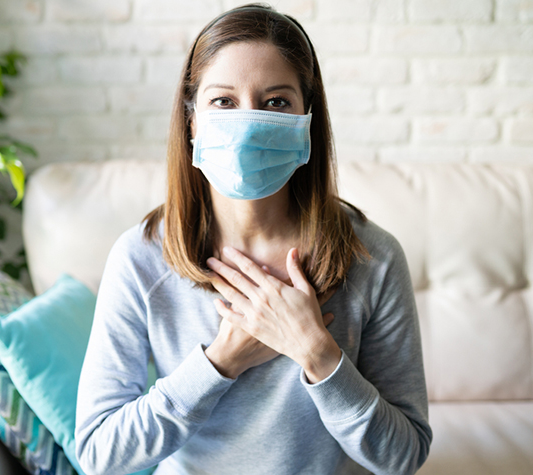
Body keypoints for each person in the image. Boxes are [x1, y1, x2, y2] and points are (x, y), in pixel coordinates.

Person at [75, 4, 432, 474]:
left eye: (276, 102)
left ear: (308, 117)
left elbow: (403, 455)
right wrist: (221, 362)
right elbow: (100, 455)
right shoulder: (140, 258)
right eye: (224, 102)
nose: (248, 123)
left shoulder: (373, 258)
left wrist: (319, 354)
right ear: (191, 121)